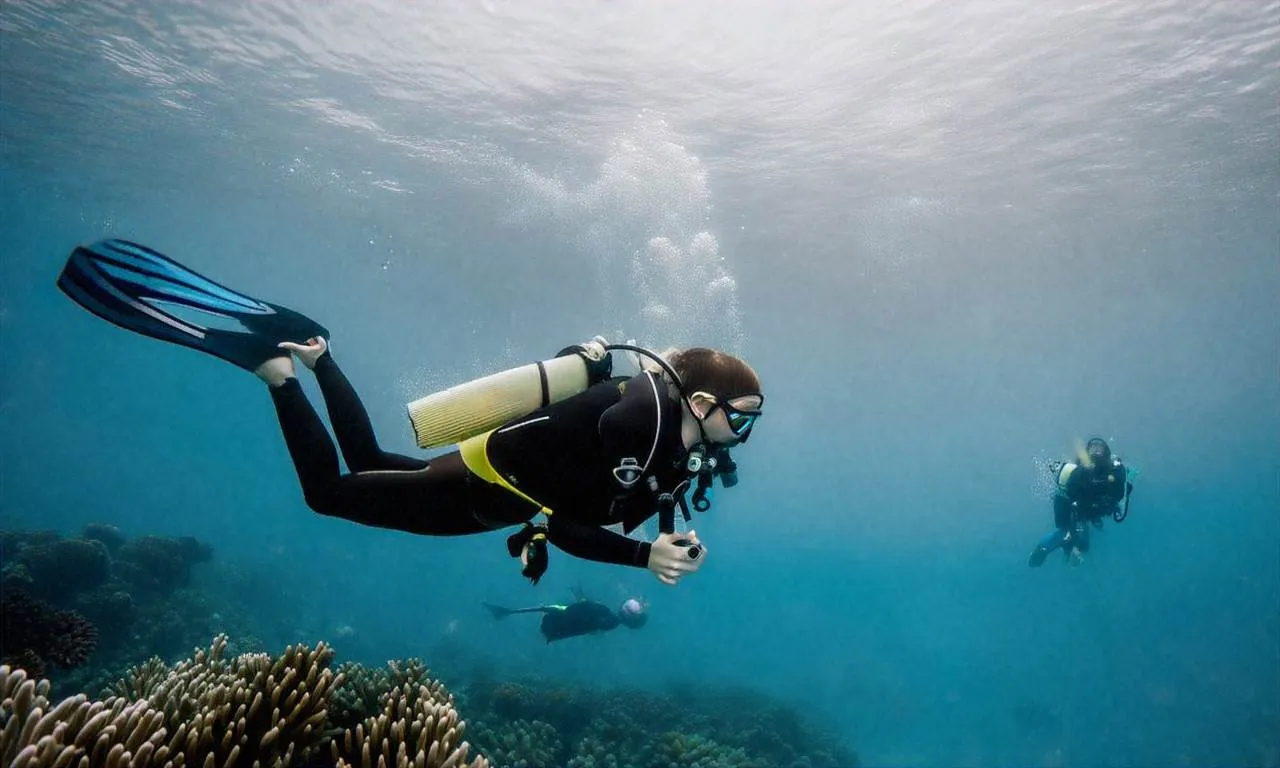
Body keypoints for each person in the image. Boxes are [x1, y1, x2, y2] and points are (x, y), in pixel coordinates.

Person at [57, 239, 763, 586]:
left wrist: (667, 532)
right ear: (701, 403)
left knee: (368, 462)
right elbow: (566, 522)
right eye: (742, 415)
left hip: (485, 471)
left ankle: (318, 358)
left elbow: (626, 489)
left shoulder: (666, 430)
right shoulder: (643, 425)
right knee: (328, 494)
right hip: (479, 494)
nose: (746, 430)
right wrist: (645, 556)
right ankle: (280, 376)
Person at [1028, 437, 1133, 567]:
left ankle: (1062, 545)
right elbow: (1074, 505)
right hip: (1074, 507)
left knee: (1079, 542)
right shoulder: (1079, 476)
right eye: (1094, 450)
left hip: (1087, 508)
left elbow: (1120, 494)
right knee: (1071, 537)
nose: (1096, 453)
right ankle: (1046, 548)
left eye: (1099, 451)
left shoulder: (1115, 472)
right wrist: (1075, 542)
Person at [483, 587, 648, 644]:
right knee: (543, 611)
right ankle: (504, 613)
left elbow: (583, 608)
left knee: (543, 608)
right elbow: (589, 620)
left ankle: (504, 612)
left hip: (560, 619)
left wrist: (580, 597)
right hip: (560, 628)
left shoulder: (606, 614)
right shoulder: (611, 622)